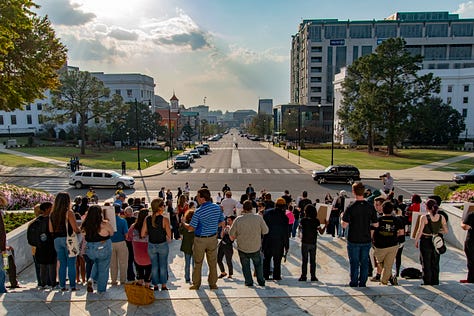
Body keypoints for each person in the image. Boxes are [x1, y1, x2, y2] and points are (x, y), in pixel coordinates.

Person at [184, 188, 225, 290]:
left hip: (200, 239)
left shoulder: (198, 211)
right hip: (213, 238)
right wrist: (213, 225)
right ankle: (213, 284)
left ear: (202, 198)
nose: (197, 198)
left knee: (198, 263)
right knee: (212, 262)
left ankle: (196, 284)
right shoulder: (217, 207)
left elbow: (191, 228)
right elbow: (222, 222)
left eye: (198, 196)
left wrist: (183, 223)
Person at [341, 182, 379, 288]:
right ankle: (362, 282)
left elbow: (344, 225)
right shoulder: (370, 206)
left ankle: (353, 282)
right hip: (366, 238)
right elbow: (376, 224)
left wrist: (341, 217)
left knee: (354, 262)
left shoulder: (351, 206)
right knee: (364, 262)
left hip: (353, 238)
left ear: (353, 192)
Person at [230, 200, 269, 287]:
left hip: (242, 247)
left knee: (245, 266)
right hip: (255, 246)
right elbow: (266, 231)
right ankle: (261, 281)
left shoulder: (238, 219)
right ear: (252, 208)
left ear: (243, 208)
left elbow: (231, 234)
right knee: (258, 265)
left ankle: (248, 281)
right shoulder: (258, 218)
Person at [49, 192, 81, 291]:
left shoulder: (52, 214)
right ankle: (72, 286)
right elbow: (75, 229)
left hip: (57, 240)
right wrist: (81, 230)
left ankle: (62, 286)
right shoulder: (69, 213)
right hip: (69, 240)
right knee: (71, 263)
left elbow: (51, 230)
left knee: (62, 264)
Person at [414, 199, 448, 286]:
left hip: (426, 240)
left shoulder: (424, 217)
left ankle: (427, 281)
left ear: (427, 207)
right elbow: (446, 231)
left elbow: (419, 231)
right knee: (435, 261)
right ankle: (435, 280)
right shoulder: (441, 217)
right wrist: (437, 232)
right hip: (436, 240)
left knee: (426, 261)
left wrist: (416, 240)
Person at [82, 205, 114, 293]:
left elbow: (83, 235)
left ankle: (91, 279)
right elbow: (111, 233)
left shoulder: (85, 225)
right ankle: (101, 290)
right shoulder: (104, 224)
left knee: (96, 262)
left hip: (90, 249)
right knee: (104, 269)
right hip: (103, 248)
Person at [141, 198, 171, 291]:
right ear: (160, 207)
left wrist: (149, 233)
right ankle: (163, 285)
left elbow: (142, 234)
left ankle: (155, 285)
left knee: (154, 265)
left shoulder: (147, 219)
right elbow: (169, 235)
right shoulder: (164, 219)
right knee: (163, 265)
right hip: (162, 244)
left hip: (151, 245)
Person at [372, 201, 404, 285]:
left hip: (379, 246)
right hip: (393, 245)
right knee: (388, 265)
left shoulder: (378, 220)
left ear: (382, 209)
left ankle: (384, 281)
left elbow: (372, 232)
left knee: (380, 262)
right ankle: (386, 280)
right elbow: (401, 232)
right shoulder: (397, 220)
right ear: (392, 210)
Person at [262, 198, 289, 280]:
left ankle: (265, 275)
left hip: (267, 240)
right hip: (279, 242)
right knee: (277, 261)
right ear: (284, 206)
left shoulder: (267, 213)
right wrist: (286, 245)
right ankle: (276, 276)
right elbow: (285, 233)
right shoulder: (285, 217)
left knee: (266, 259)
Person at [298, 204, 326, 282]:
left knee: (304, 260)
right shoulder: (316, 221)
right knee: (313, 261)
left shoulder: (303, 220)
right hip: (313, 242)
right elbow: (321, 232)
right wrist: (326, 225)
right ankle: (313, 276)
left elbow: (299, 229)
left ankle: (304, 276)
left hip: (305, 242)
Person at [127, 209, 151, 287]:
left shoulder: (133, 227)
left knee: (139, 273)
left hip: (137, 256)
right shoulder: (151, 227)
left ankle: (140, 282)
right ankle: (147, 286)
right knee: (148, 273)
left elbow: (128, 238)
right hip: (149, 256)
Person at [110, 205, 129, 286]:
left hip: (110, 243)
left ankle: (113, 280)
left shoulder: (108, 221)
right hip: (121, 242)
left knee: (113, 263)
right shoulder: (123, 221)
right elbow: (126, 234)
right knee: (123, 262)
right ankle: (123, 280)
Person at [179, 209, 195, 284]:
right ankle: (195, 278)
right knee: (195, 264)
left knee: (187, 263)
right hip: (195, 246)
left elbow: (180, 233)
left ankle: (187, 278)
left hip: (186, 245)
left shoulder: (184, 225)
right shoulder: (196, 224)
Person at [461, 210, 474, 283]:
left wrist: (462, 222)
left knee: (471, 260)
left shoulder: (472, 214)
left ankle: (471, 279)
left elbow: (466, 227)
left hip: (472, 240)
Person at [0, 194, 8, 293]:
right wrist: (3, 248)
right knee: (3, 268)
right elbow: (2, 232)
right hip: (2, 248)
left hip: (3, 247)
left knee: (4, 266)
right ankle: (2, 288)